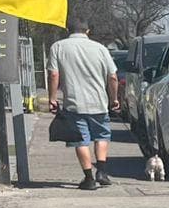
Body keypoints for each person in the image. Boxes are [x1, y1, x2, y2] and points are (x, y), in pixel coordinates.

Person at [47, 18, 119, 190]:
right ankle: (101, 171)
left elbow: (54, 75)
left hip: (74, 103)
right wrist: (114, 98)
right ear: (87, 31)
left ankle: (88, 178)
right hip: (99, 102)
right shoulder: (100, 48)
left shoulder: (58, 47)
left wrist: (52, 97)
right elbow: (113, 76)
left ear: (68, 30)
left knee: (81, 140)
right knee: (102, 136)